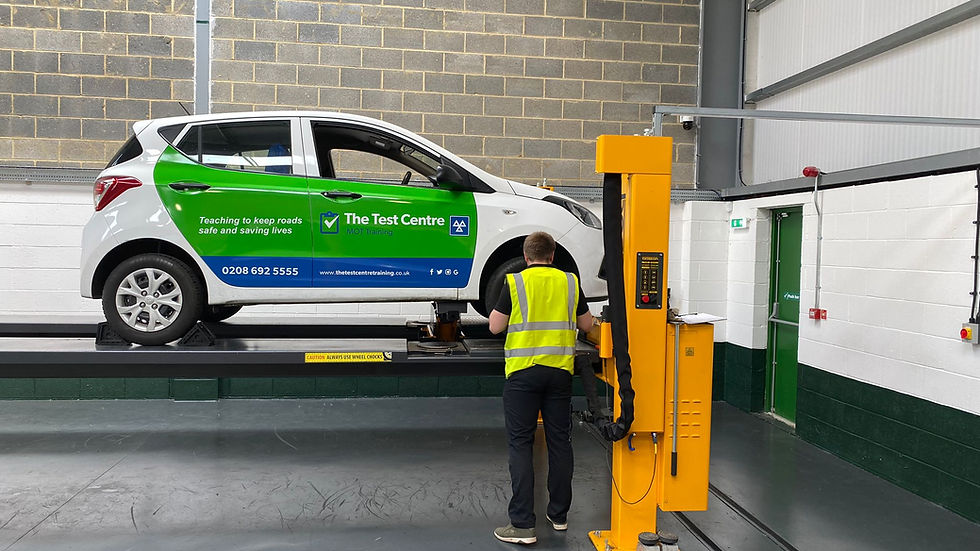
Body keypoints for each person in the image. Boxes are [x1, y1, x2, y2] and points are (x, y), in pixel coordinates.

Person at [489, 231, 597, 545]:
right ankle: (559, 515)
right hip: (559, 373)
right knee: (560, 442)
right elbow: (587, 325)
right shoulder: (570, 282)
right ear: (552, 255)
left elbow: (495, 326)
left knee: (521, 445)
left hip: (523, 374)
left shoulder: (515, 282)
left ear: (526, 256)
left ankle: (523, 525)